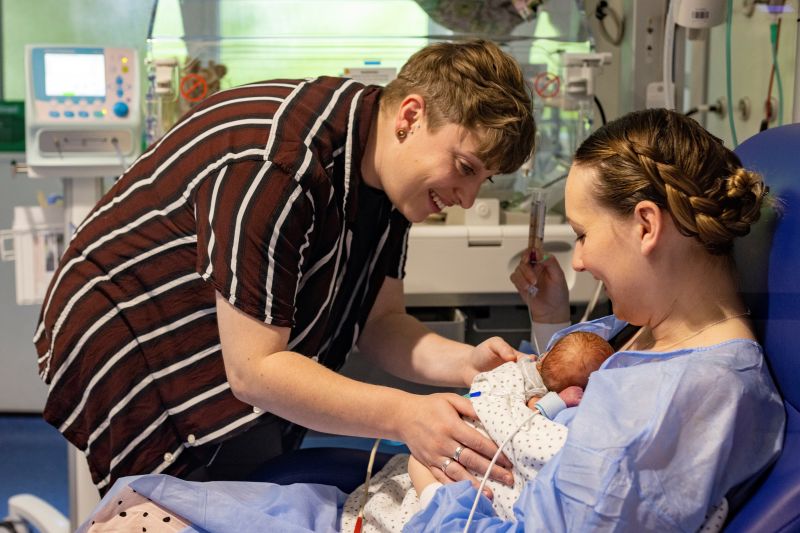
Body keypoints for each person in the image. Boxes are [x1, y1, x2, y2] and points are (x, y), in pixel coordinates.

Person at [33, 39, 537, 492]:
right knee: (177, 496)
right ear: (410, 116)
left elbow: (380, 324)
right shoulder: (280, 162)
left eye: (483, 181)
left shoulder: (390, 179)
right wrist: (404, 415)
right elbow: (255, 371)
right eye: (466, 169)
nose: (467, 199)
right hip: (127, 329)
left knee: (250, 472)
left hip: (235, 350)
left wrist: (465, 363)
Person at [404, 108, 785, 531]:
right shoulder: (653, 328)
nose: (580, 261)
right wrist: (551, 321)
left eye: (583, 234)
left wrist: (434, 495)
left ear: (645, 225)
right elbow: (573, 395)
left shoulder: (681, 402)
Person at [340, 330, 613, 532]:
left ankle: (434, 502)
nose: (578, 261)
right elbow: (508, 404)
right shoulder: (517, 380)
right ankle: (432, 501)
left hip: (476, 491)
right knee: (418, 469)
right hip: (455, 459)